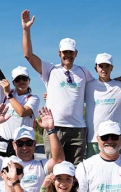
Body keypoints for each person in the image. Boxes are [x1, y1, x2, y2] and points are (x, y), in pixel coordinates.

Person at [20, 9, 94, 165]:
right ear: (59, 53)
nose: (68, 55)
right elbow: (28, 55)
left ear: (76, 53)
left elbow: (99, 86)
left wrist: (118, 80)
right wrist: (26, 30)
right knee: (54, 169)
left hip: (77, 129)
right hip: (54, 127)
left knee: (75, 173)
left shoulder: (83, 72)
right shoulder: (50, 70)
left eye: (71, 52)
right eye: (64, 52)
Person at [0, 103, 63, 192]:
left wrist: (51, 130)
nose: (24, 147)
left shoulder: (41, 166)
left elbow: (59, 159)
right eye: (20, 144)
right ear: (14, 145)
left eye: (29, 143)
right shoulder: (3, 163)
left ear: (34, 144)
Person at [84, 53, 121, 156]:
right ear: (96, 68)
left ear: (112, 68)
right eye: (101, 66)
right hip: (94, 139)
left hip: (114, 139)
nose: (104, 69)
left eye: (107, 66)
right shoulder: (89, 86)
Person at [0, 69, 40, 158]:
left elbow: (22, 112)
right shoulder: (5, 93)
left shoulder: (33, 99)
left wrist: (8, 94)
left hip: (20, 147)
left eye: (24, 78)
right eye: (18, 79)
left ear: (29, 81)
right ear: (13, 82)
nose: (21, 81)